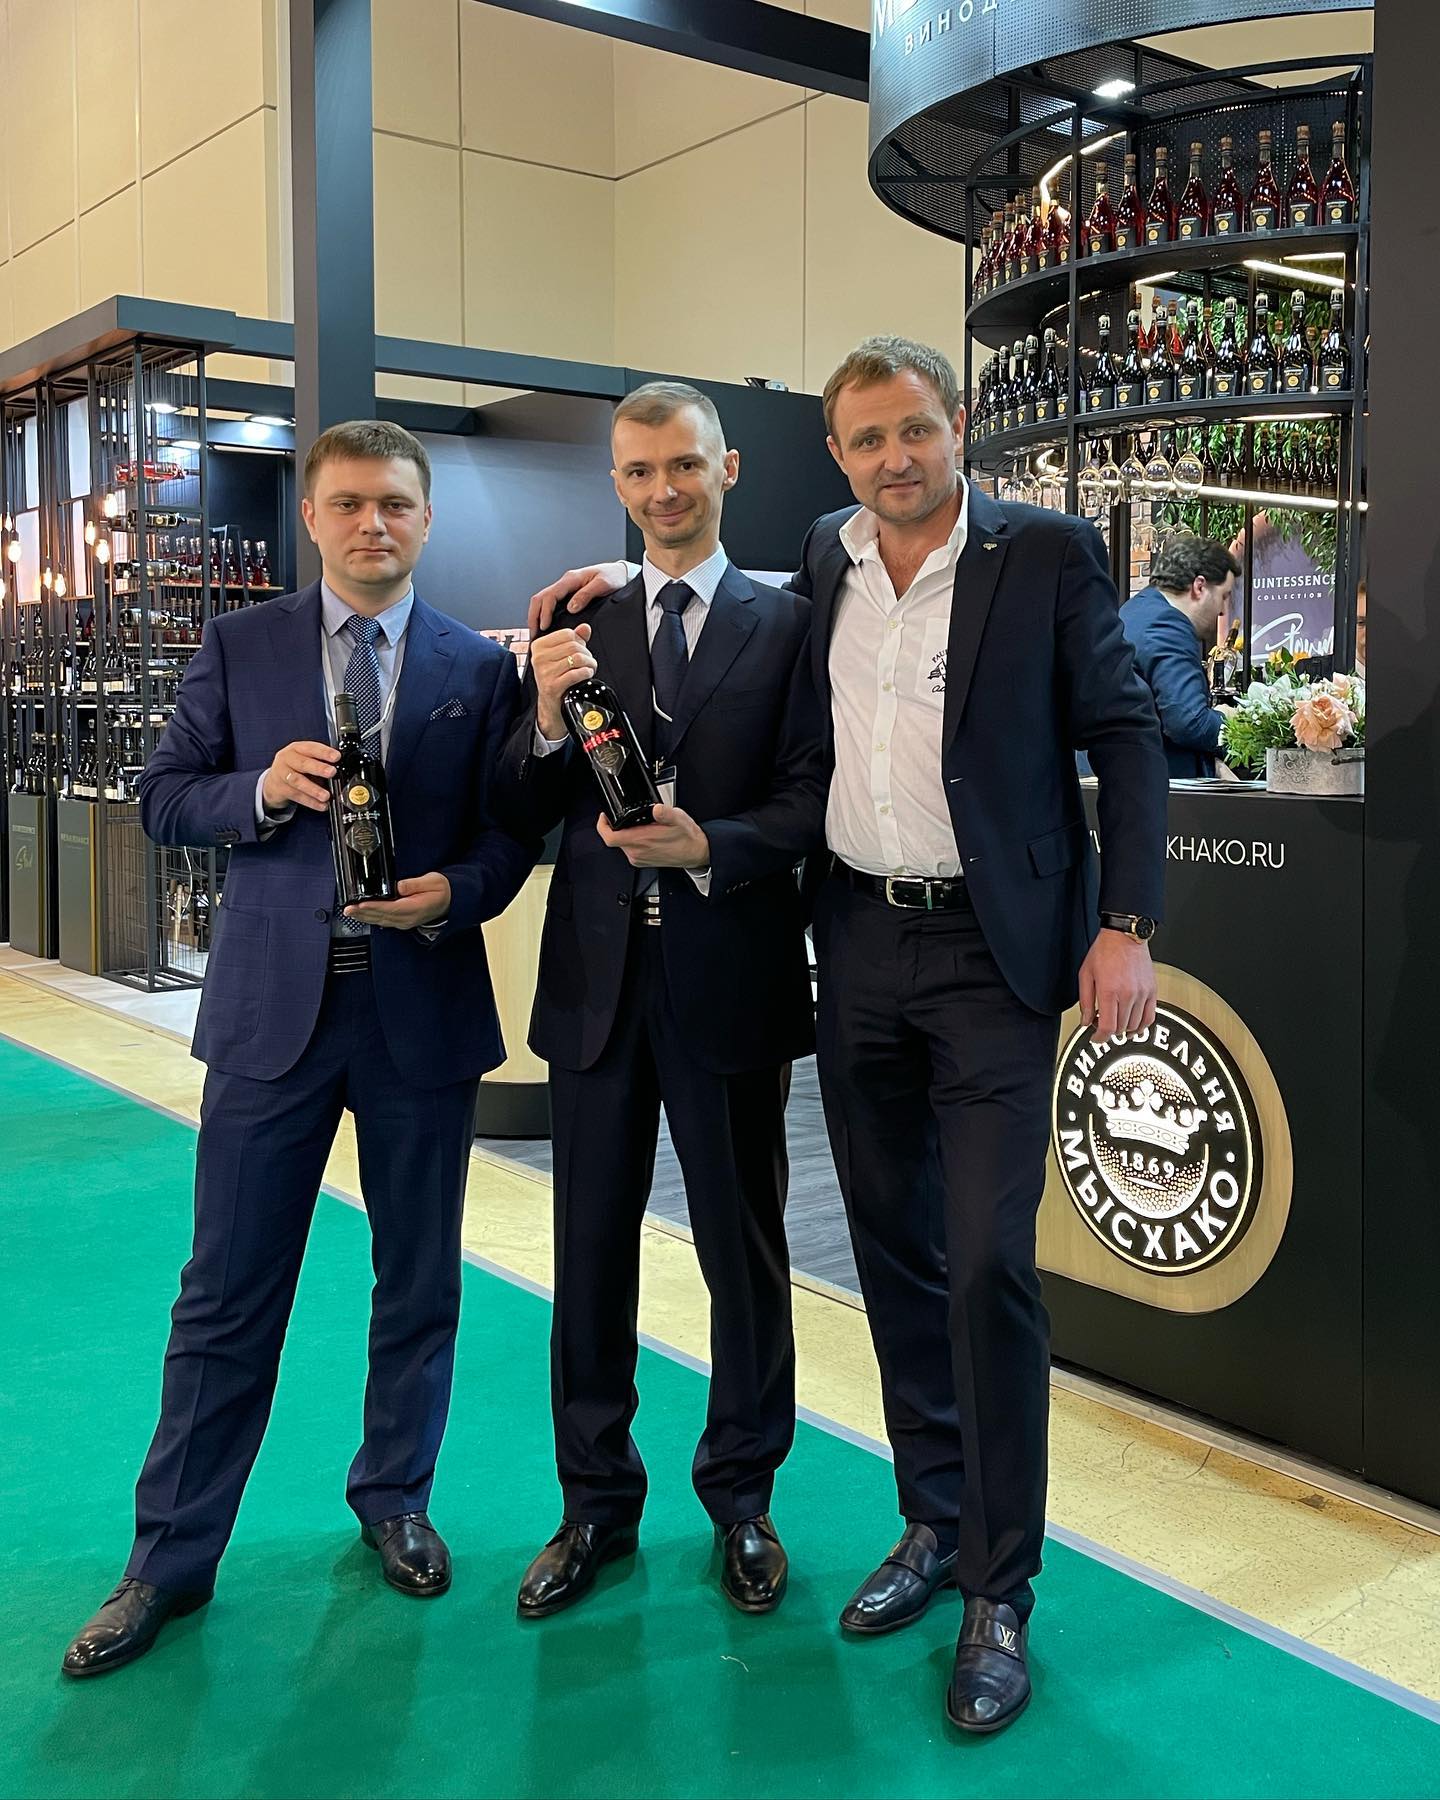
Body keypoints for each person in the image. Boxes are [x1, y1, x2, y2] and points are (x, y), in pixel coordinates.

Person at [528, 336, 1167, 1736]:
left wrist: (1126, 920)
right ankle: (932, 1521)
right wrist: (606, 587)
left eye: (914, 430)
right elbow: (715, 609)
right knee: (892, 1252)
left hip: (995, 957)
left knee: (989, 1261)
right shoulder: (825, 556)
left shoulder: (1047, 555)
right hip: (859, 942)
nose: (895, 457)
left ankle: (1001, 1586)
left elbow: (1126, 736)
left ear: (959, 425)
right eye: (868, 438)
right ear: (835, 455)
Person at [60, 421, 537, 1678]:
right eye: (349, 503)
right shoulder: (243, 645)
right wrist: (261, 789)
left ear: (424, 518)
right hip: (273, 1015)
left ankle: (396, 1498)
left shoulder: (474, 668)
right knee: (225, 1289)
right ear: (313, 517)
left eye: (395, 504)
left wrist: (454, 894)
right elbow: (164, 798)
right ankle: (167, 1559)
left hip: (419, 1011)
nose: (373, 523)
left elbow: (508, 839)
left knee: (418, 1277)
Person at [493, 382, 826, 1620]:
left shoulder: (789, 626)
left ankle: (743, 1497)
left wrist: (712, 846)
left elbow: (813, 800)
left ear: (726, 468)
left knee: (745, 1251)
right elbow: (517, 804)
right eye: (638, 471)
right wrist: (541, 716)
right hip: (596, 989)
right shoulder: (574, 623)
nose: (662, 490)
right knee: (588, 1251)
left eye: (683, 465)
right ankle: (593, 1504)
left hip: (729, 977)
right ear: (616, 483)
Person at [1118, 531, 1241, 777]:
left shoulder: (1135, 610)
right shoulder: (1167, 625)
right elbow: (1189, 722)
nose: (1223, 610)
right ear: (1199, 587)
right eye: (1224, 596)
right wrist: (1240, 728)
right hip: (1151, 781)